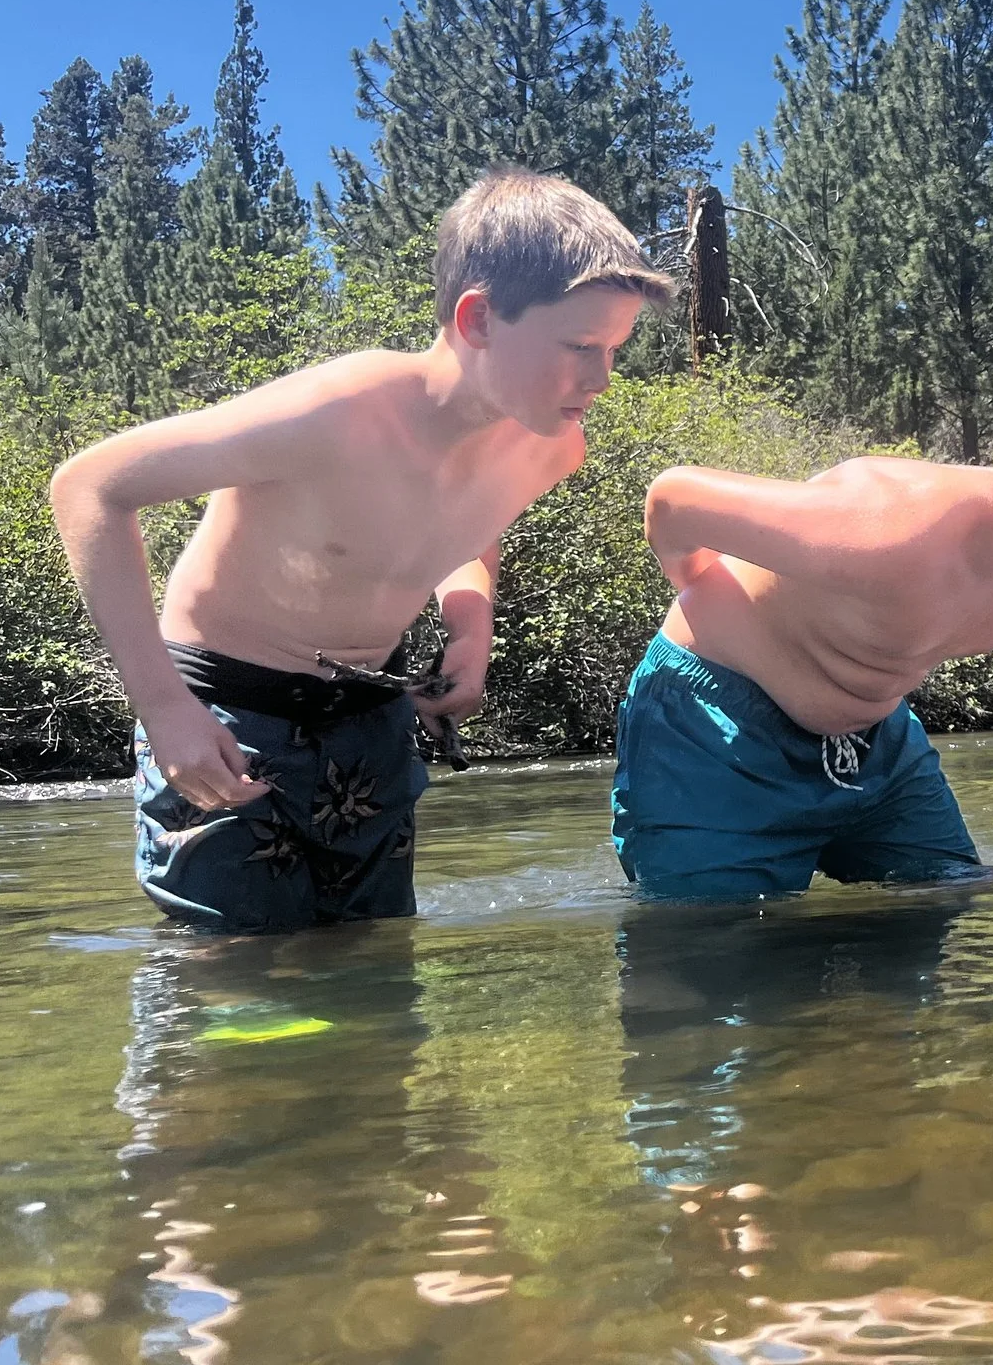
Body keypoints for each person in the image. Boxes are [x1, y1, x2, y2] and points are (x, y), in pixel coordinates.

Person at [48, 167, 671, 933]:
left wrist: (472, 629)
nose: (603, 377)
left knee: (372, 967)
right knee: (231, 987)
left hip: (371, 716)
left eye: (615, 348)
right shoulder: (337, 411)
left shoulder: (551, 445)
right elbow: (89, 487)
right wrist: (163, 708)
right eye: (580, 345)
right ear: (477, 319)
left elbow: (471, 521)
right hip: (224, 714)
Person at [612, 348, 993, 896]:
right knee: (710, 954)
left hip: (877, 747)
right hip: (713, 729)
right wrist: (700, 596)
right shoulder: (882, 525)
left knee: (947, 907)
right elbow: (672, 501)